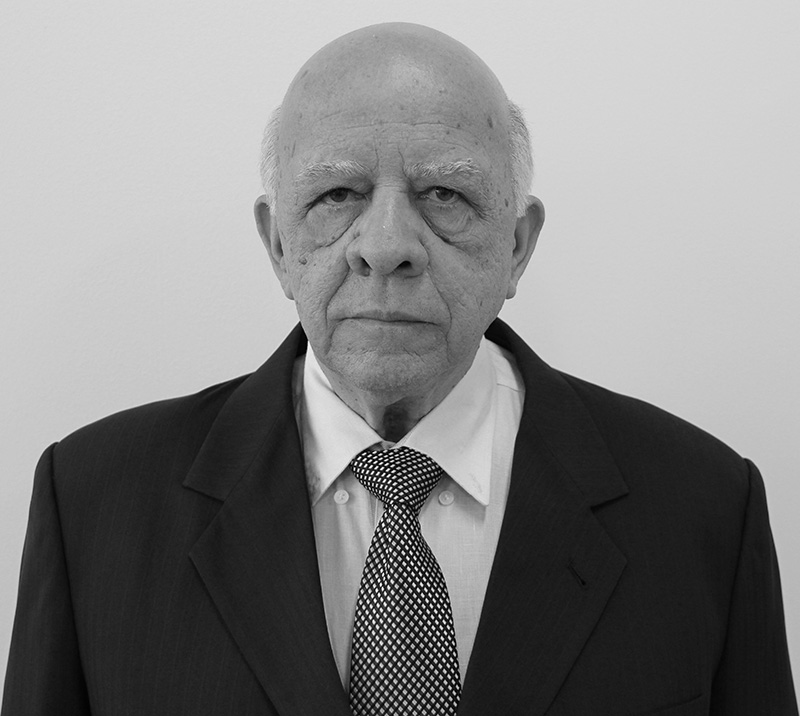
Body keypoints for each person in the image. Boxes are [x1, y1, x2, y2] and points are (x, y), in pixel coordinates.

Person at [2, 21, 796, 716]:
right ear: (277, 243)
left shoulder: (703, 509)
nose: (386, 246)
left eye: (445, 193)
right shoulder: (93, 506)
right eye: (337, 194)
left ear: (518, 246)